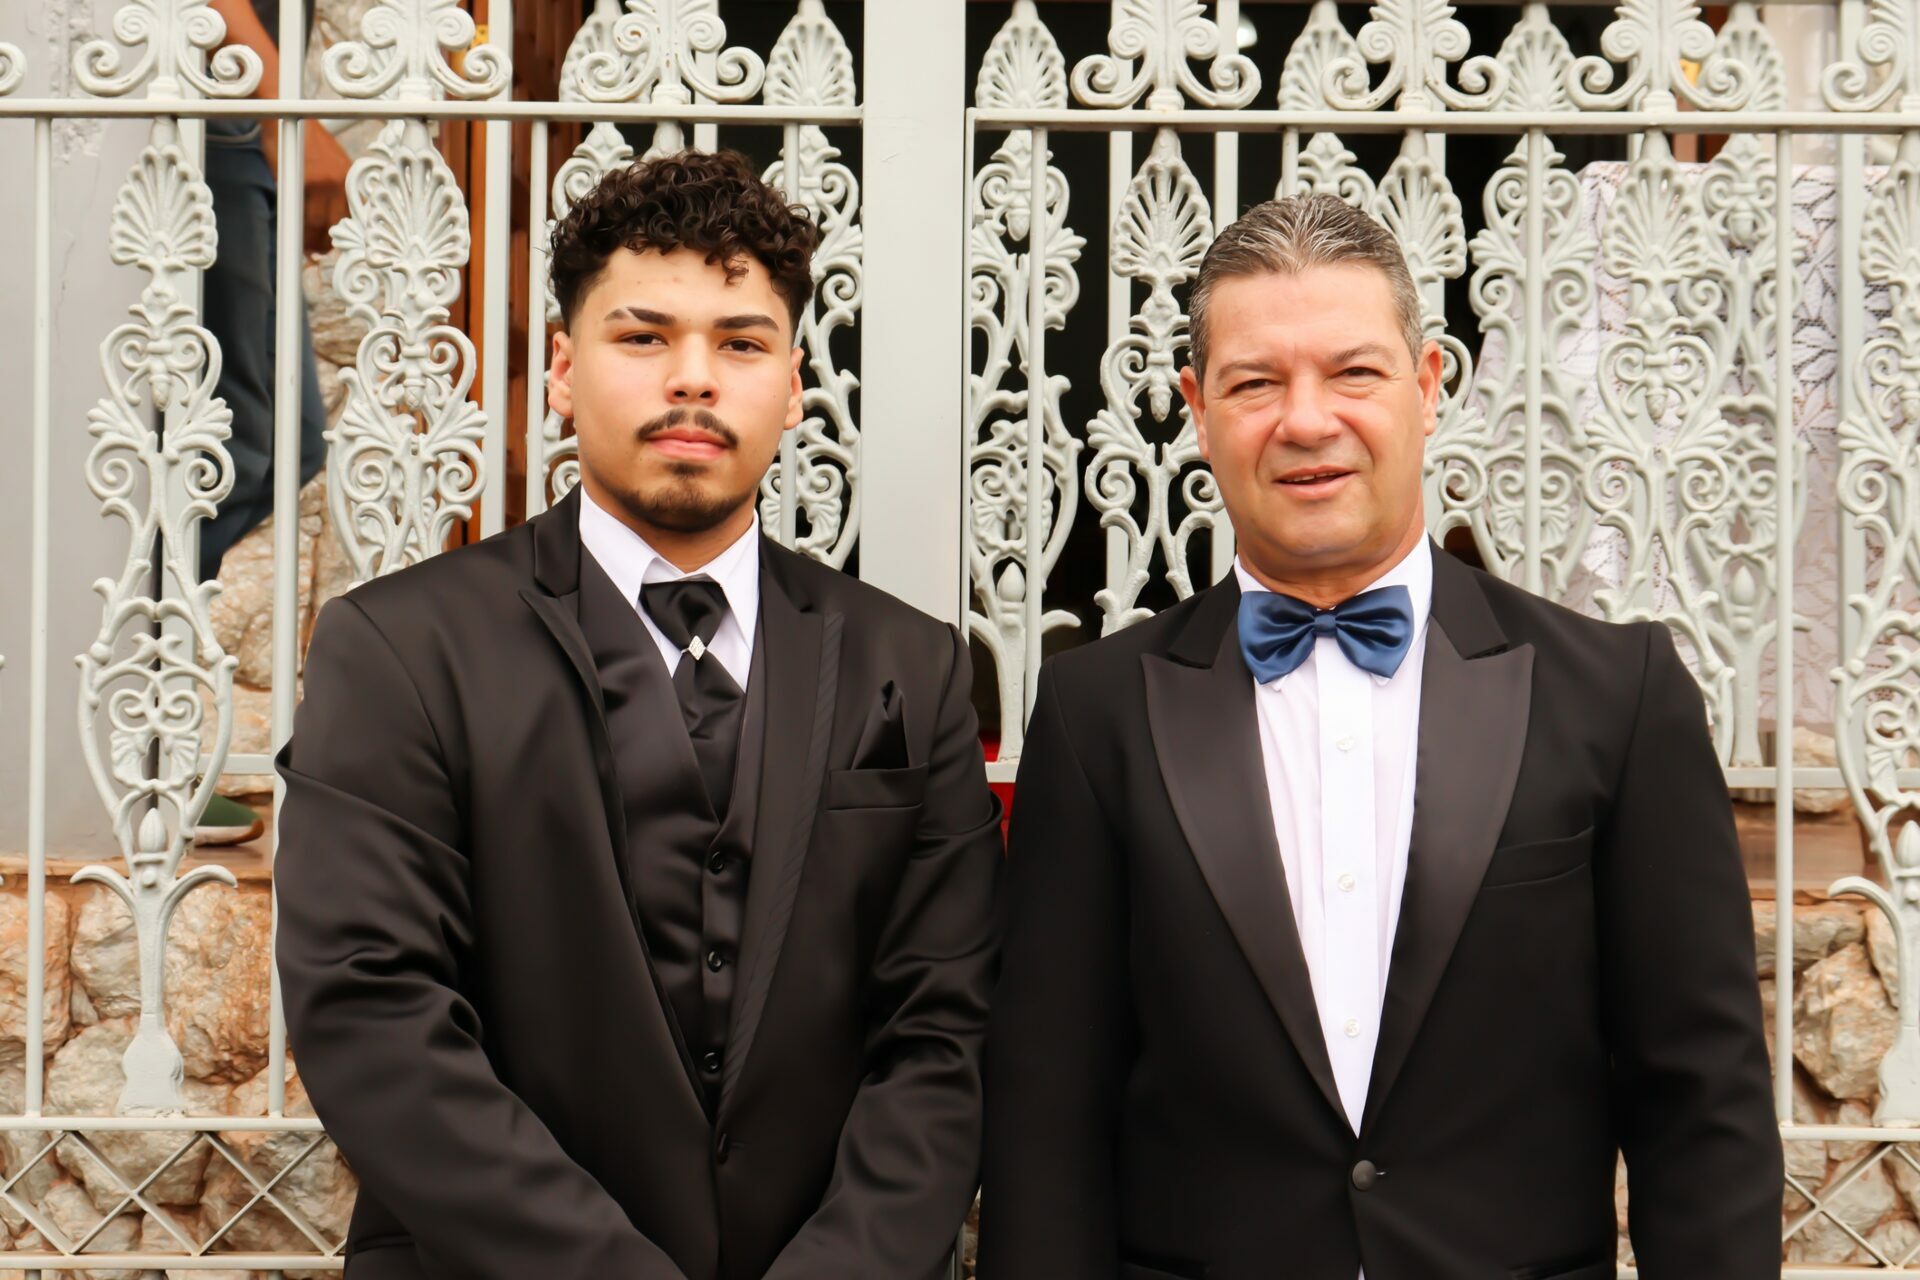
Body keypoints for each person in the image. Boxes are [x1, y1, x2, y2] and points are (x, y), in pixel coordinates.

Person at [977, 194, 1781, 1280]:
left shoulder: (1616, 696)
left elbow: (1702, 1098)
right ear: (1197, 410)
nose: (1307, 421)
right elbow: (1048, 1118)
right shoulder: (1096, 712)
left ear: (1427, 385)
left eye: (1352, 372)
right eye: (1256, 383)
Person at [274, 149, 1003, 1280]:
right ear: (564, 370)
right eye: (644, 337)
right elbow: (374, 1016)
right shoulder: (400, 650)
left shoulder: (913, 664)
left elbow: (945, 1028)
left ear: (794, 384)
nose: (694, 379)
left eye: (741, 343)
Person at [193, 0, 350, 845]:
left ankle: (138, 732)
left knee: (282, 442)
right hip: (219, 112)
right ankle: (129, 739)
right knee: (239, 444)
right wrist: (287, 107)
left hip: (237, 116)